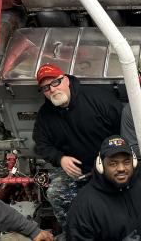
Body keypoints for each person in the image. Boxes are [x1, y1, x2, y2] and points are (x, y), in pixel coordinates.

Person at [31, 63, 123, 231]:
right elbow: (41, 144)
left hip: (109, 163)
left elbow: (124, 129)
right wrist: (60, 159)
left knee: (120, 196)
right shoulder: (45, 115)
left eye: (55, 83)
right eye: (45, 88)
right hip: (77, 171)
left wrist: (112, 158)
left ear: (66, 80)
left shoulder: (98, 99)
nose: (52, 90)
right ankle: (73, 233)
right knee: (56, 192)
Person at [66, 135, 141, 241]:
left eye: (126, 162)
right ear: (100, 165)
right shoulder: (84, 204)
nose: (121, 168)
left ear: (134, 162)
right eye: (113, 163)